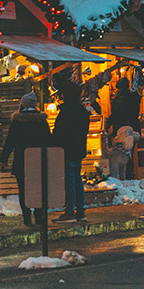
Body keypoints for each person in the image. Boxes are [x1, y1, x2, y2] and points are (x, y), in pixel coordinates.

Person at [0, 92, 52, 227]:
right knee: (38, 188)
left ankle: (27, 216)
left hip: (21, 160)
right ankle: (39, 215)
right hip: (38, 160)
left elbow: (10, 141)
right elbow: (48, 140)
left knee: (23, 189)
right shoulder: (41, 121)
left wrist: (3, 159)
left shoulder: (18, 120)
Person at [52, 82, 91, 223]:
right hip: (79, 149)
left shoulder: (66, 111)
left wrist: (54, 144)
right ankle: (80, 211)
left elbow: (59, 132)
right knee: (77, 179)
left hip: (67, 149)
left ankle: (70, 212)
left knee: (69, 180)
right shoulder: (82, 111)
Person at [106, 78, 141, 180]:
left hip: (121, 131)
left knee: (119, 155)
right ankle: (129, 177)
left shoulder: (119, 100)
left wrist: (107, 126)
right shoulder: (133, 98)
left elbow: (114, 115)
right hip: (132, 130)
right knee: (128, 155)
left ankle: (122, 178)